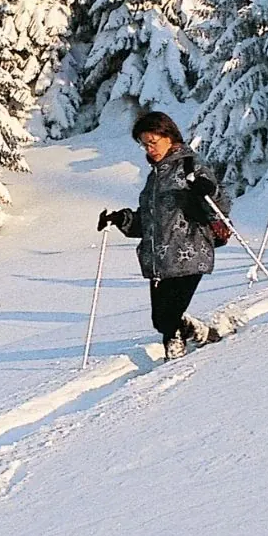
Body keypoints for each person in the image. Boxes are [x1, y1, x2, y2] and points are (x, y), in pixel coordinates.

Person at [97, 111, 226, 361]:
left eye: (153, 142)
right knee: (161, 320)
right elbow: (148, 221)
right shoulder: (154, 177)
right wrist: (120, 219)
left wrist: (208, 191)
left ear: (169, 137)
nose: (149, 148)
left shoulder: (190, 166)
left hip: (190, 252)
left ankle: (175, 360)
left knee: (168, 318)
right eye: (144, 144)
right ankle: (200, 332)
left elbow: (218, 204)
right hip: (159, 259)